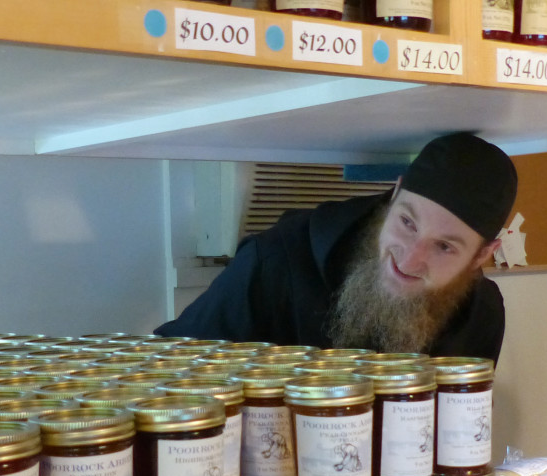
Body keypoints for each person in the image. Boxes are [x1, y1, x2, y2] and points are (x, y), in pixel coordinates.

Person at [154, 132, 519, 363]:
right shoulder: (274, 261)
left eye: (444, 247)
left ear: (483, 255)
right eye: (407, 223)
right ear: (394, 193)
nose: (410, 258)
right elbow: (170, 365)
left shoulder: (482, 314)